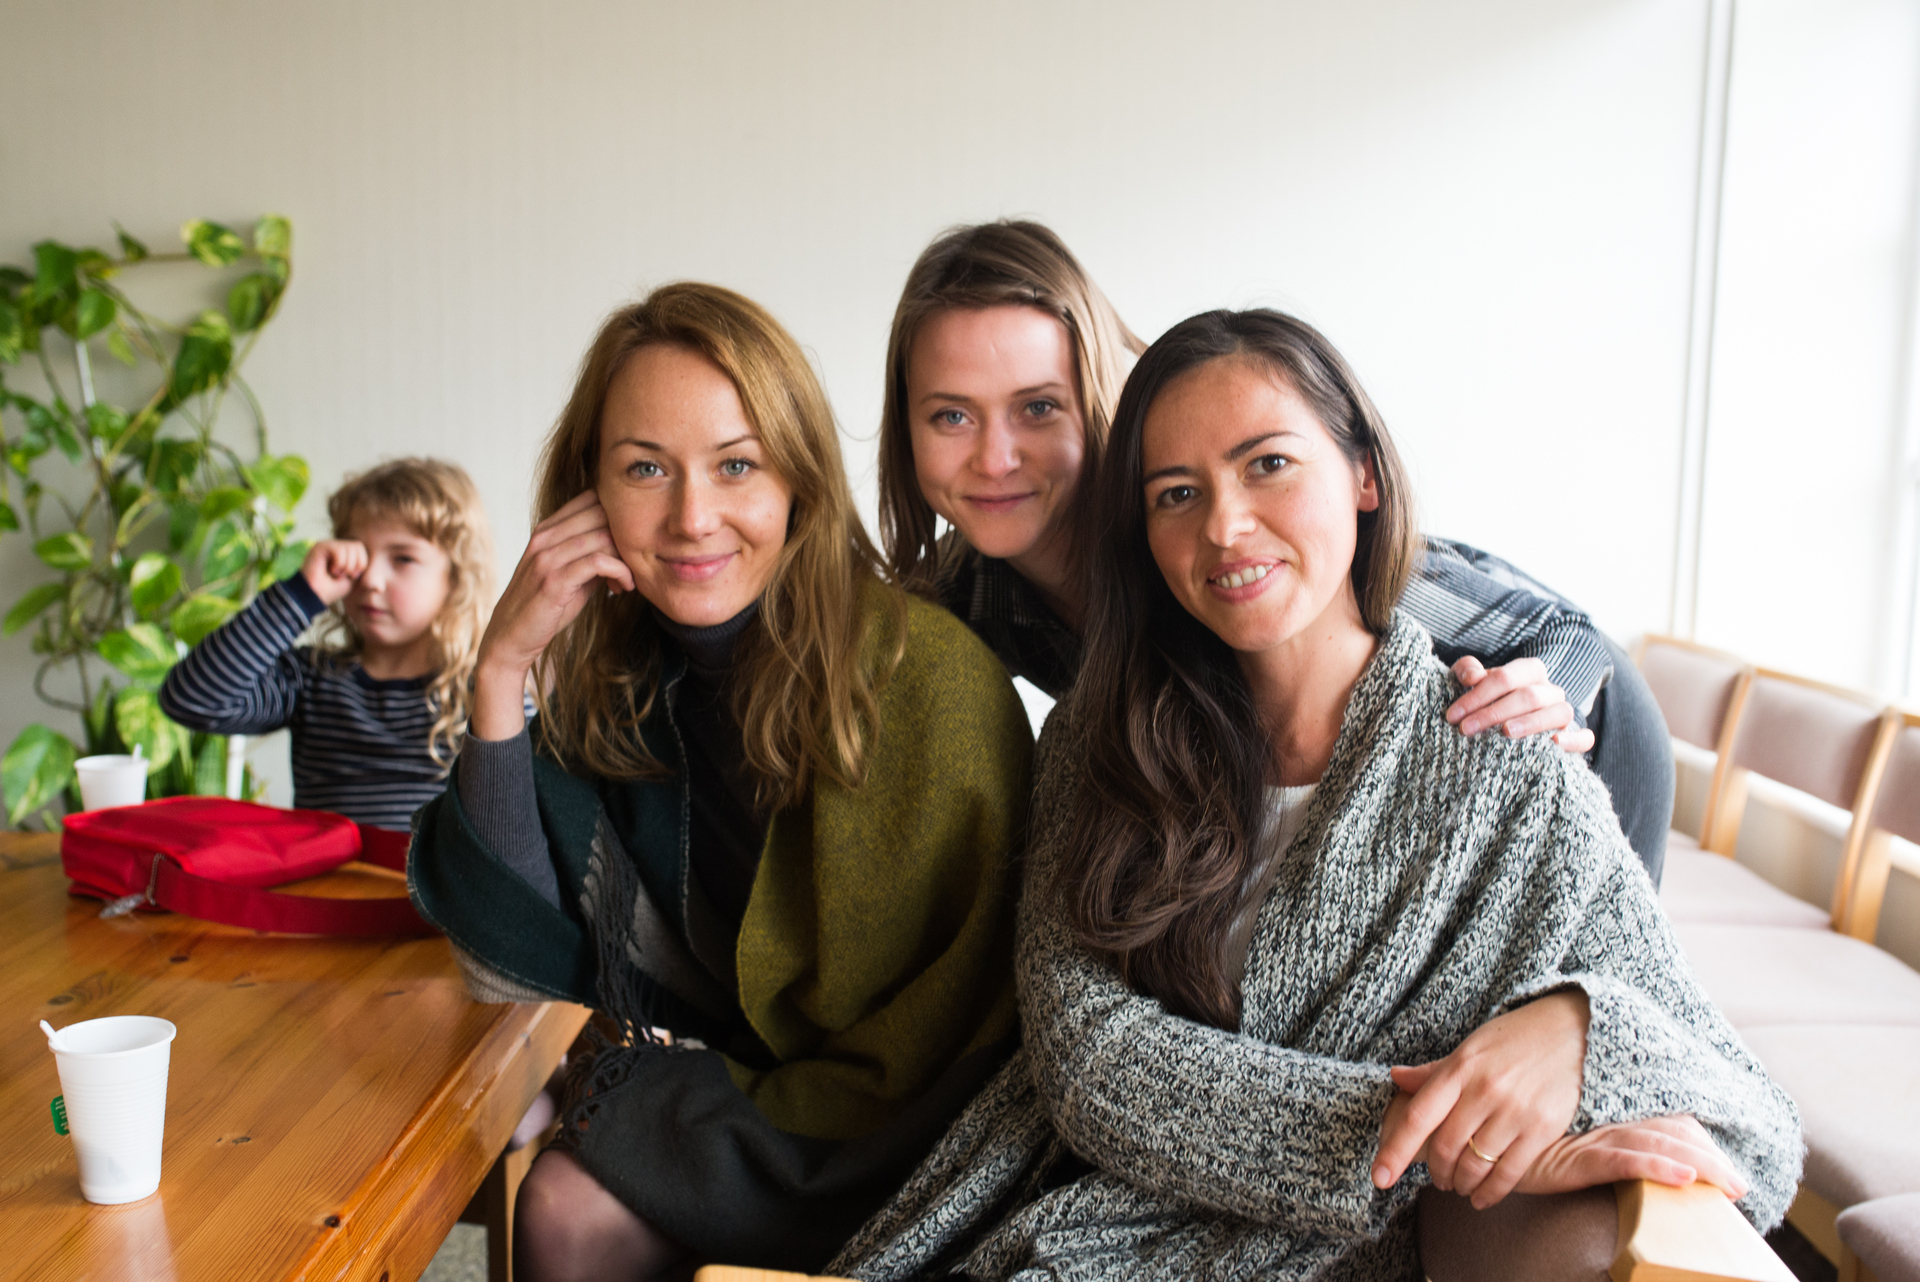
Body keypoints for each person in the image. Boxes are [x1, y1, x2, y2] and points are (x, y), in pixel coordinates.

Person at [834, 309, 1799, 1281]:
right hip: (1074, 1237)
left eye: (1269, 464)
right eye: (1177, 493)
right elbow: (1085, 1057)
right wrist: (1417, 1133)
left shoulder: (1506, 770)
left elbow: (1753, 1121)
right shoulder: (1097, 744)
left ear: (1363, 475)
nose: (1223, 526)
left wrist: (1581, 1031)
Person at [405, 283, 1032, 1281]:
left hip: (945, 1128)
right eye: (645, 468)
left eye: (736, 465)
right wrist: (500, 671)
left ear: (797, 481)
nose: (692, 518)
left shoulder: (925, 675)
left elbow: (965, 1023)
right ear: (589, 494)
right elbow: (503, 962)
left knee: (599, 1148)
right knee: (561, 1203)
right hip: (763, 1099)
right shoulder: (622, 681)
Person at [876, 221, 1673, 880]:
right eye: (952, 417)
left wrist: (1545, 699)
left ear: (1096, 400)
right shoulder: (960, 599)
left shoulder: (1256, 549)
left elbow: (1570, 635)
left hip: (1587, 736)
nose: (996, 459)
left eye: (1038, 408)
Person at [158, 457, 494, 830]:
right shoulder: (310, 678)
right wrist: (303, 594)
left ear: (457, 577)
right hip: (327, 871)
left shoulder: (485, 692)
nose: (371, 579)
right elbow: (190, 699)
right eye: (360, 555)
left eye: (403, 558)